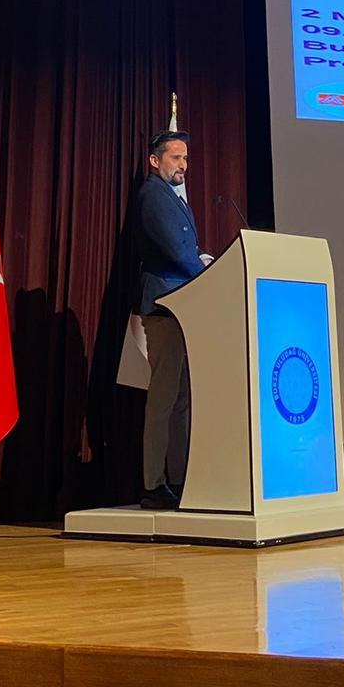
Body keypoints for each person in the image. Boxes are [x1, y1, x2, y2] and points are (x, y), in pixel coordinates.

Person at [136, 129, 212, 510]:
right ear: (155, 161)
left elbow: (187, 250)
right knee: (164, 398)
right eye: (175, 157)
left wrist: (203, 263)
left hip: (184, 306)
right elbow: (175, 250)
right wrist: (206, 272)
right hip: (165, 306)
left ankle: (181, 480)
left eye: (185, 158)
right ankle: (153, 483)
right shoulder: (153, 195)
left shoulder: (173, 197)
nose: (183, 165)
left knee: (181, 398)